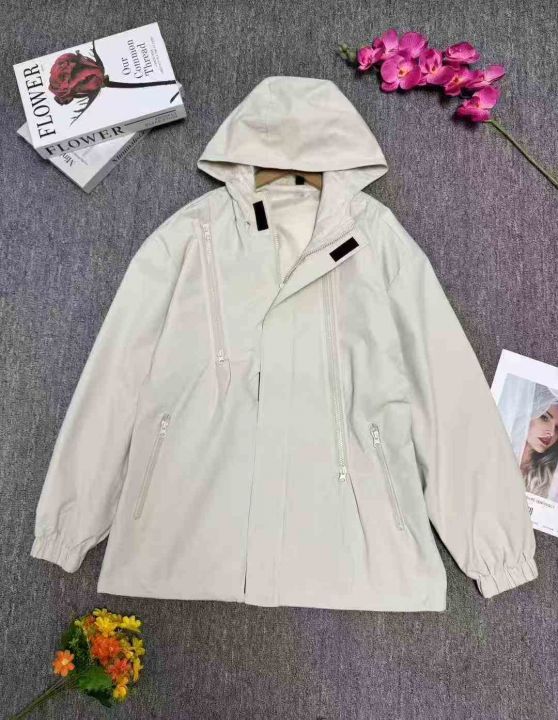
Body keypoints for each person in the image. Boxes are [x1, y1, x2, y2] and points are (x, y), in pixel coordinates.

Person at [497, 376, 558, 499]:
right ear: (527, 412)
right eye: (545, 418)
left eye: (557, 428)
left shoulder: (550, 477)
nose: (551, 433)